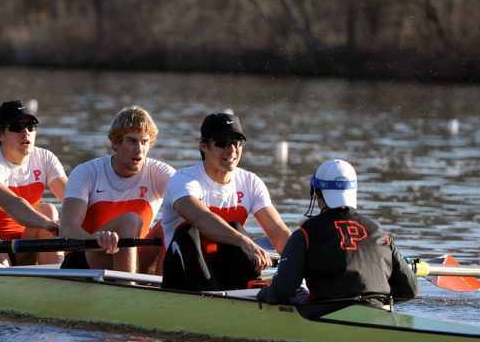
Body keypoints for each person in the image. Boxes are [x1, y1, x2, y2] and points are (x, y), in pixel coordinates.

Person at [256, 159, 419, 316]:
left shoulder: (305, 233)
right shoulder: (380, 234)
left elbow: (282, 291)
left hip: (325, 315)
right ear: (355, 191)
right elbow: (410, 290)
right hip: (378, 313)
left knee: (285, 284)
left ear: (317, 193)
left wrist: (263, 294)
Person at [161, 111, 290, 291]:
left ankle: (248, 294)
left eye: (237, 142)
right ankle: (211, 295)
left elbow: (278, 232)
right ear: (203, 146)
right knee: (188, 232)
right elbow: (201, 218)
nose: (231, 150)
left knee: (235, 227)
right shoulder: (184, 180)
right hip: (182, 277)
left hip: (224, 275)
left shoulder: (250, 182)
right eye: (223, 143)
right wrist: (244, 241)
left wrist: (309, 267)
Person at [60, 105, 175, 274]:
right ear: (115, 142)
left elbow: (193, 203)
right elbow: (67, 228)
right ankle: (128, 288)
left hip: (132, 257)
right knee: (131, 220)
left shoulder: (159, 173)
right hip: (85, 259)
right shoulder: (87, 172)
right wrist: (95, 240)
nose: (139, 150)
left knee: (176, 218)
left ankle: (164, 289)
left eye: (144, 142)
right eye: (132, 141)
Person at [0, 100, 67, 266]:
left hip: (21, 246)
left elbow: (72, 198)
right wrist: (47, 224)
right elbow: (11, 203)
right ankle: (5, 277)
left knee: (49, 209)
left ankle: (57, 277)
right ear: (0, 135)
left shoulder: (45, 158)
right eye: (17, 128)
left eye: (30, 126)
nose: (26, 133)